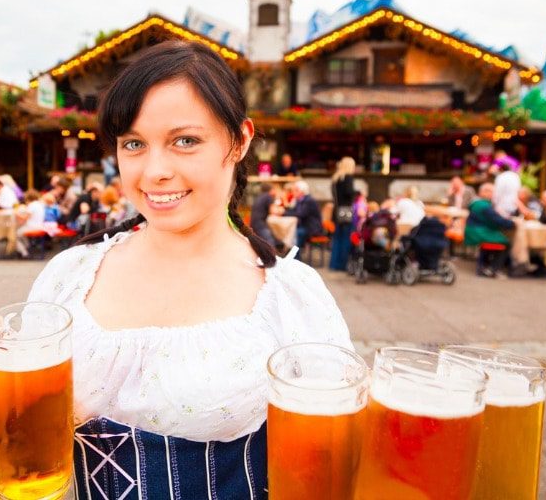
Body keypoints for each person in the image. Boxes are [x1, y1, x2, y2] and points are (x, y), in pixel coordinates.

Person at [26, 42, 351, 496]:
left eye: (185, 141)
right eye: (134, 144)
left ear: (239, 141)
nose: (155, 170)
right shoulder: (69, 276)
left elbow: (327, 465)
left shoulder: (291, 296)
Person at [465, 183, 516, 278]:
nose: (494, 194)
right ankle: (493, 269)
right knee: (505, 243)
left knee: (497, 239)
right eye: (492, 192)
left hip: (474, 231)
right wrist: (513, 223)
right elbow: (497, 220)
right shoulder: (483, 205)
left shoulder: (477, 203)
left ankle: (484, 266)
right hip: (479, 232)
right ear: (485, 192)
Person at [329, 157, 357, 271]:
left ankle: (334, 263)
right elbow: (349, 192)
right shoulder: (348, 177)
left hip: (337, 211)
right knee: (346, 238)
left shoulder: (336, 179)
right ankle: (343, 264)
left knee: (337, 238)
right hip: (346, 212)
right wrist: (358, 192)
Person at [288, 180, 323, 259]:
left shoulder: (309, 200)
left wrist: (283, 212)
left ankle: (296, 258)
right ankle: (294, 256)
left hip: (312, 228)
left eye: (295, 190)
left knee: (297, 233)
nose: (293, 192)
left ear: (301, 191)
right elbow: (293, 211)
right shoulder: (299, 200)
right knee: (293, 232)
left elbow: (301, 214)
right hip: (304, 226)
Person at [15, 190, 46, 258]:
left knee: (14, 235)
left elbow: (25, 218)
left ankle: (24, 252)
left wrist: (16, 213)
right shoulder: (39, 204)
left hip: (32, 227)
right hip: (40, 226)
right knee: (21, 233)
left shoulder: (32, 205)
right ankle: (27, 247)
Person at [250, 182, 279, 248]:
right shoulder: (268, 196)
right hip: (260, 224)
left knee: (261, 243)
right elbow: (273, 211)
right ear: (271, 190)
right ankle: (271, 258)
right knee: (270, 243)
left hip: (254, 223)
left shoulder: (260, 196)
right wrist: (283, 211)